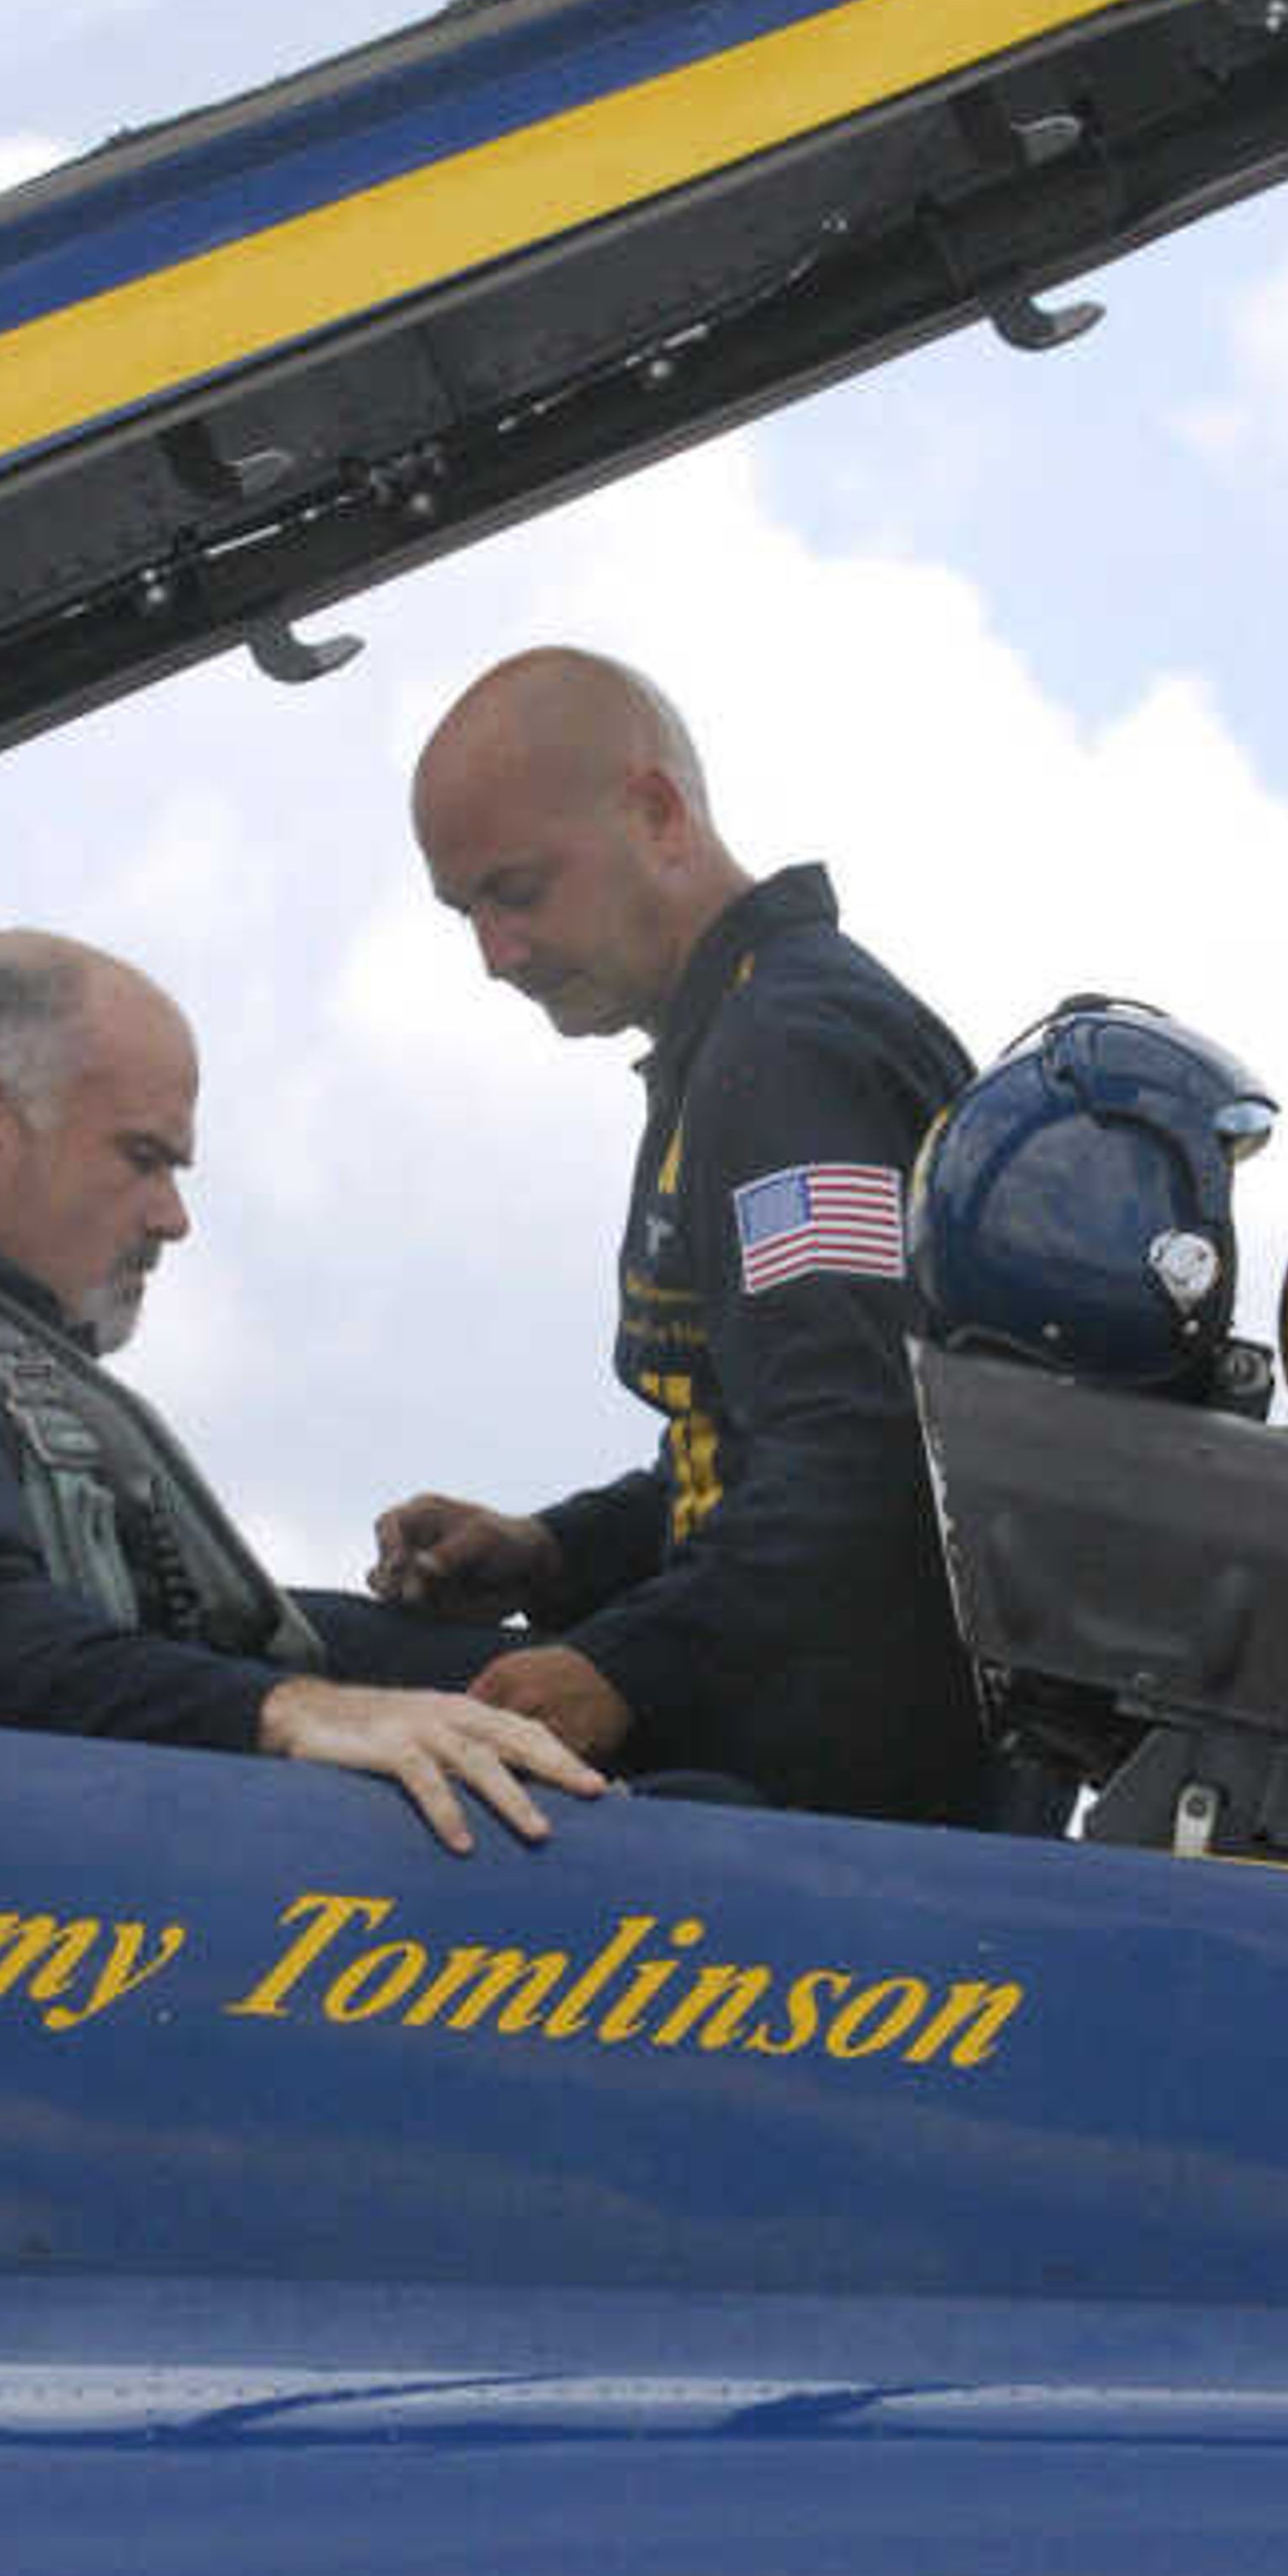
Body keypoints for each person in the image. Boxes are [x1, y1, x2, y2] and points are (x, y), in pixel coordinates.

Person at [0, 931, 599, 1855]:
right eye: (144, 1158)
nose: (172, 1217)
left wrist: (583, 1664)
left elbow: (194, 1640)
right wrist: (287, 1709)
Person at [374, 650, 986, 1826]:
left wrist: (626, 1666)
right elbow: (758, 1448)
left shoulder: (789, 1055)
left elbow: (867, 1454)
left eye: (518, 891)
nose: (494, 954)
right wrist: (552, 1551)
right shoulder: (737, 1039)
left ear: (657, 815)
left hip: (827, 1801)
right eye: (469, 912)